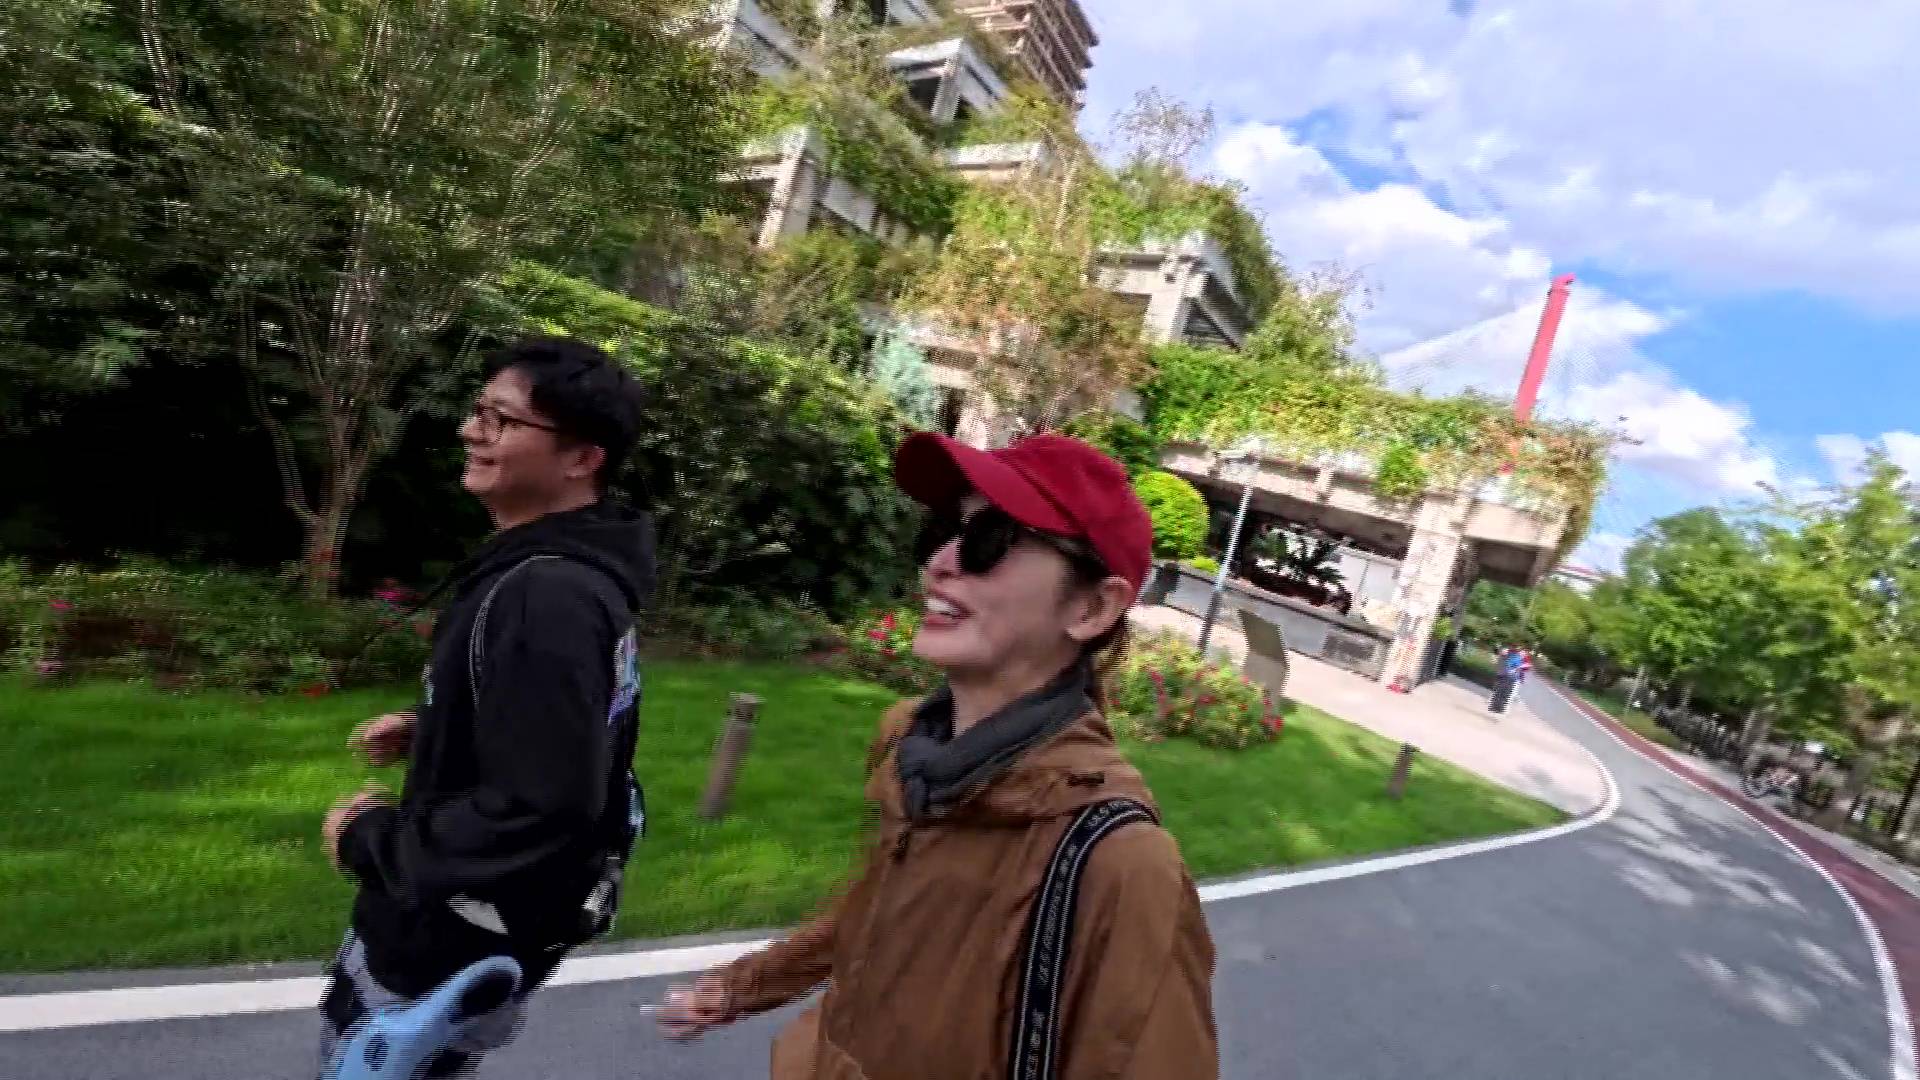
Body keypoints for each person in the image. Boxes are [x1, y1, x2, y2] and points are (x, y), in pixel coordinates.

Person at [655, 432, 1219, 1079]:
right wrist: (741, 988)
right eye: (944, 532)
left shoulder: (1123, 864)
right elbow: (878, 913)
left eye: (989, 540)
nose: (941, 562)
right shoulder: (908, 745)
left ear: (1093, 607)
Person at [318, 336, 655, 1078]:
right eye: (478, 411)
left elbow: (542, 805)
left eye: (501, 419)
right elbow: (569, 732)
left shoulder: (549, 594)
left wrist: (369, 840)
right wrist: (435, 727)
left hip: (447, 941)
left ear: (582, 458)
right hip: (476, 930)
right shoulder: (561, 573)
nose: (471, 430)